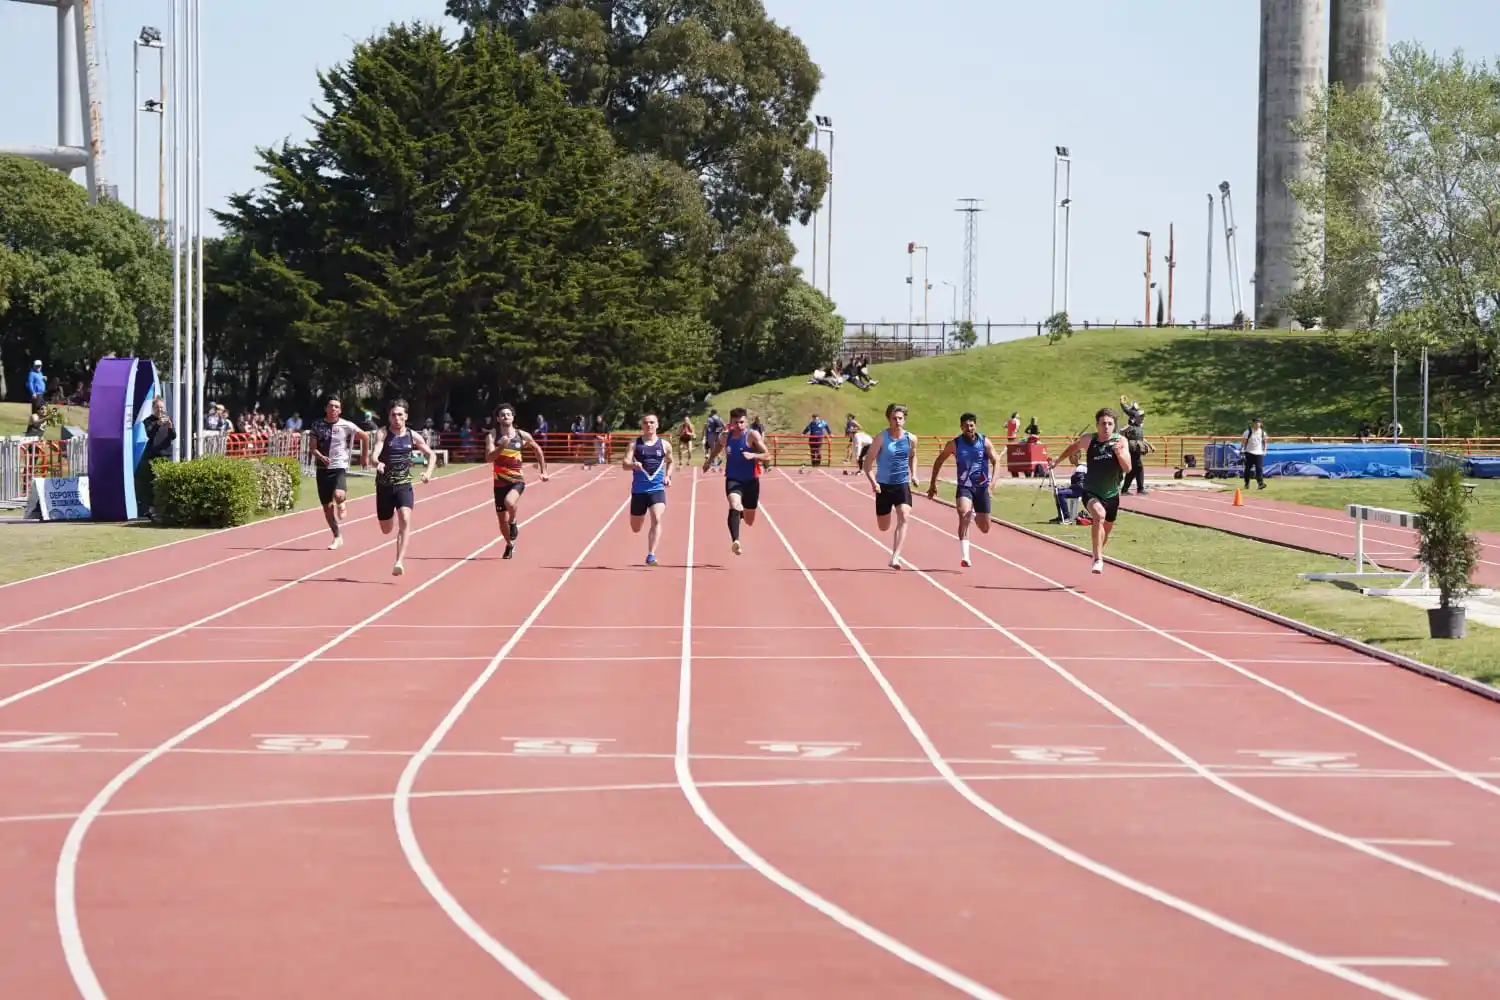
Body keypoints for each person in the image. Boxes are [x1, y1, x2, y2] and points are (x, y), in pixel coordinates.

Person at [1049, 407, 1131, 574]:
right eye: (1103, 424)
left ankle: (1098, 552)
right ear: (1097, 425)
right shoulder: (1089, 440)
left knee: (1105, 531)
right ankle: (1098, 559)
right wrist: (1057, 460)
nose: (1106, 427)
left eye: (1109, 424)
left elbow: (1128, 468)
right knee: (1098, 515)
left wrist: (1119, 453)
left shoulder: (1120, 441)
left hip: (1112, 494)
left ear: (1114, 425)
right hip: (1091, 491)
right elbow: (1073, 448)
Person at [370, 399, 439, 576]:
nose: (397, 418)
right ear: (389, 417)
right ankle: (390, 515)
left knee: (406, 518)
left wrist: (428, 473)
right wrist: (377, 462)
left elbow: (431, 455)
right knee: (386, 529)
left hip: (403, 485)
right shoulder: (383, 433)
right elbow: (374, 454)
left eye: (400, 414)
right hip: (384, 486)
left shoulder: (412, 435)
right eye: (393, 415)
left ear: (406, 416)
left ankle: (399, 561)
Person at [926, 412, 1001, 567]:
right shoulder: (955, 444)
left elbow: (996, 461)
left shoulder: (984, 442)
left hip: (982, 488)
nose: (969, 428)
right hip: (964, 487)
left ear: (975, 426)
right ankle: (965, 556)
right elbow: (939, 461)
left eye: (971, 425)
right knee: (963, 514)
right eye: (966, 426)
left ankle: (976, 514)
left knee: (985, 528)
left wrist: (992, 484)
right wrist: (933, 484)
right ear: (961, 427)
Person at [703, 406, 771, 555]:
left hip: (751, 481)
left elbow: (767, 455)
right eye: (735, 423)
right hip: (733, 478)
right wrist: (709, 461)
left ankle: (740, 513)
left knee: (749, 520)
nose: (739, 426)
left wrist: (753, 456)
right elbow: (717, 448)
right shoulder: (725, 436)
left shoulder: (752, 436)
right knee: (733, 503)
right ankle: (736, 541)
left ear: (746, 422)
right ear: (730, 422)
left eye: (741, 422)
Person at [486, 403, 550, 560]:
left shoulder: (522, 435)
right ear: (498, 419)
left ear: (513, 417)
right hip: (499, 482)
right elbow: (489, 458)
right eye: (502, 415)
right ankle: (509, 544)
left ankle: (514, 522)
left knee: (510, 503)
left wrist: (544, 471)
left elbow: (537, 449)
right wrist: (502, 446)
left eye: (508, 414)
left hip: (516, 480)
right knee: (502, 522)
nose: (505, 416)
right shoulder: (492, 436)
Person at [861, 402, 918, 569]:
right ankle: (886, 520)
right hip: (883, 486)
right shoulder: (881, 438)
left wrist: (913, 474)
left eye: (900, 418)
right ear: (889, 419)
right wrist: (873, 483)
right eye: (894, 418)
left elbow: (913, 456)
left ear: (904, 420)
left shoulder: (911, 438)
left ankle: (895, 557)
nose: (898, 421)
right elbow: (868, 462)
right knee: (883, 526)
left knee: (905, 516)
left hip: (901, 483)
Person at [308, 396, 368, 550]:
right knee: (327, 507)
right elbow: (312, 448)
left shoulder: (346, 425)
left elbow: (365, 437)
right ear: (326, 409)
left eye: (336, 407)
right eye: (331, 406)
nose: (333, 409)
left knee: (339, 495)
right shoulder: (317, 425)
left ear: (340, 410)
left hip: (339, 466)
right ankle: (337, 536)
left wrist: (363, 457)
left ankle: (342, 502)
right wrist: (321, 457)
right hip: (322, 469)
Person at [623, 413, 673, 565]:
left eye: (652, 422)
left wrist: (668, 476)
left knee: (657, 518)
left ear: (657, 425)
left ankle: (651, 554)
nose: (649, 425)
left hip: (657, 489)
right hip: (639, 491)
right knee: (636, 528)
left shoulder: (664, 445)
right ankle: (641, 515)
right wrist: (633, 465)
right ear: (642, 425)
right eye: (646, 423)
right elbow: (625, 463)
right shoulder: (634, 444)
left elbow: (671, 462)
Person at [1242, 416, 1268, 490]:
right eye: (1256, 423)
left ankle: (1260, 484)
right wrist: (1242, 449)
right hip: (1249, 452)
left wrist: (1265, 450)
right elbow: (1243, 441)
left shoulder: (1263, 432)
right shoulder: (1248, 431)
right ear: (1253, 424)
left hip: (1259, 453)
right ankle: (1246, 483)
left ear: (1261, 424)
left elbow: (1265, 442)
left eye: (1259, 423)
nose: (1257, 424)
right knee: (1248, 469)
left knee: (1259, 469)